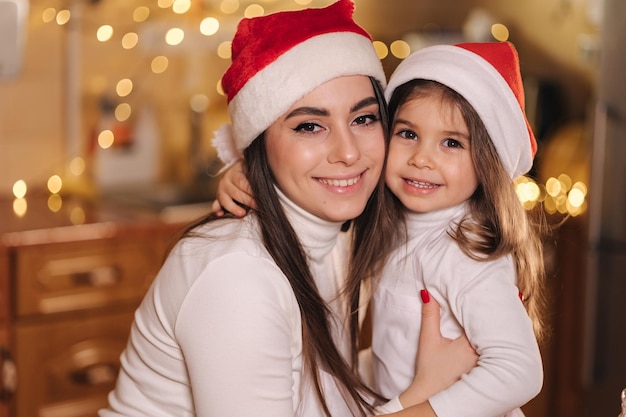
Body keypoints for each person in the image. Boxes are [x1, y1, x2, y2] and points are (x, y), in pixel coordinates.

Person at [99, 2, 476, 417]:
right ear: (258, 142)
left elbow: (320, 389)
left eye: (364, 119)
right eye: (309, 126)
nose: (348, 152)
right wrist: (425, 396)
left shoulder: (335, 238)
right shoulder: (239, 276)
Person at [213, 42, 547, 417]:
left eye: (451, 143)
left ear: (488, 162)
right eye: (408, 134)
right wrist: (245, 174)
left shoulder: (465, 250)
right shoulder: (395, 218)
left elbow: (521, 371)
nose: (422, 158)